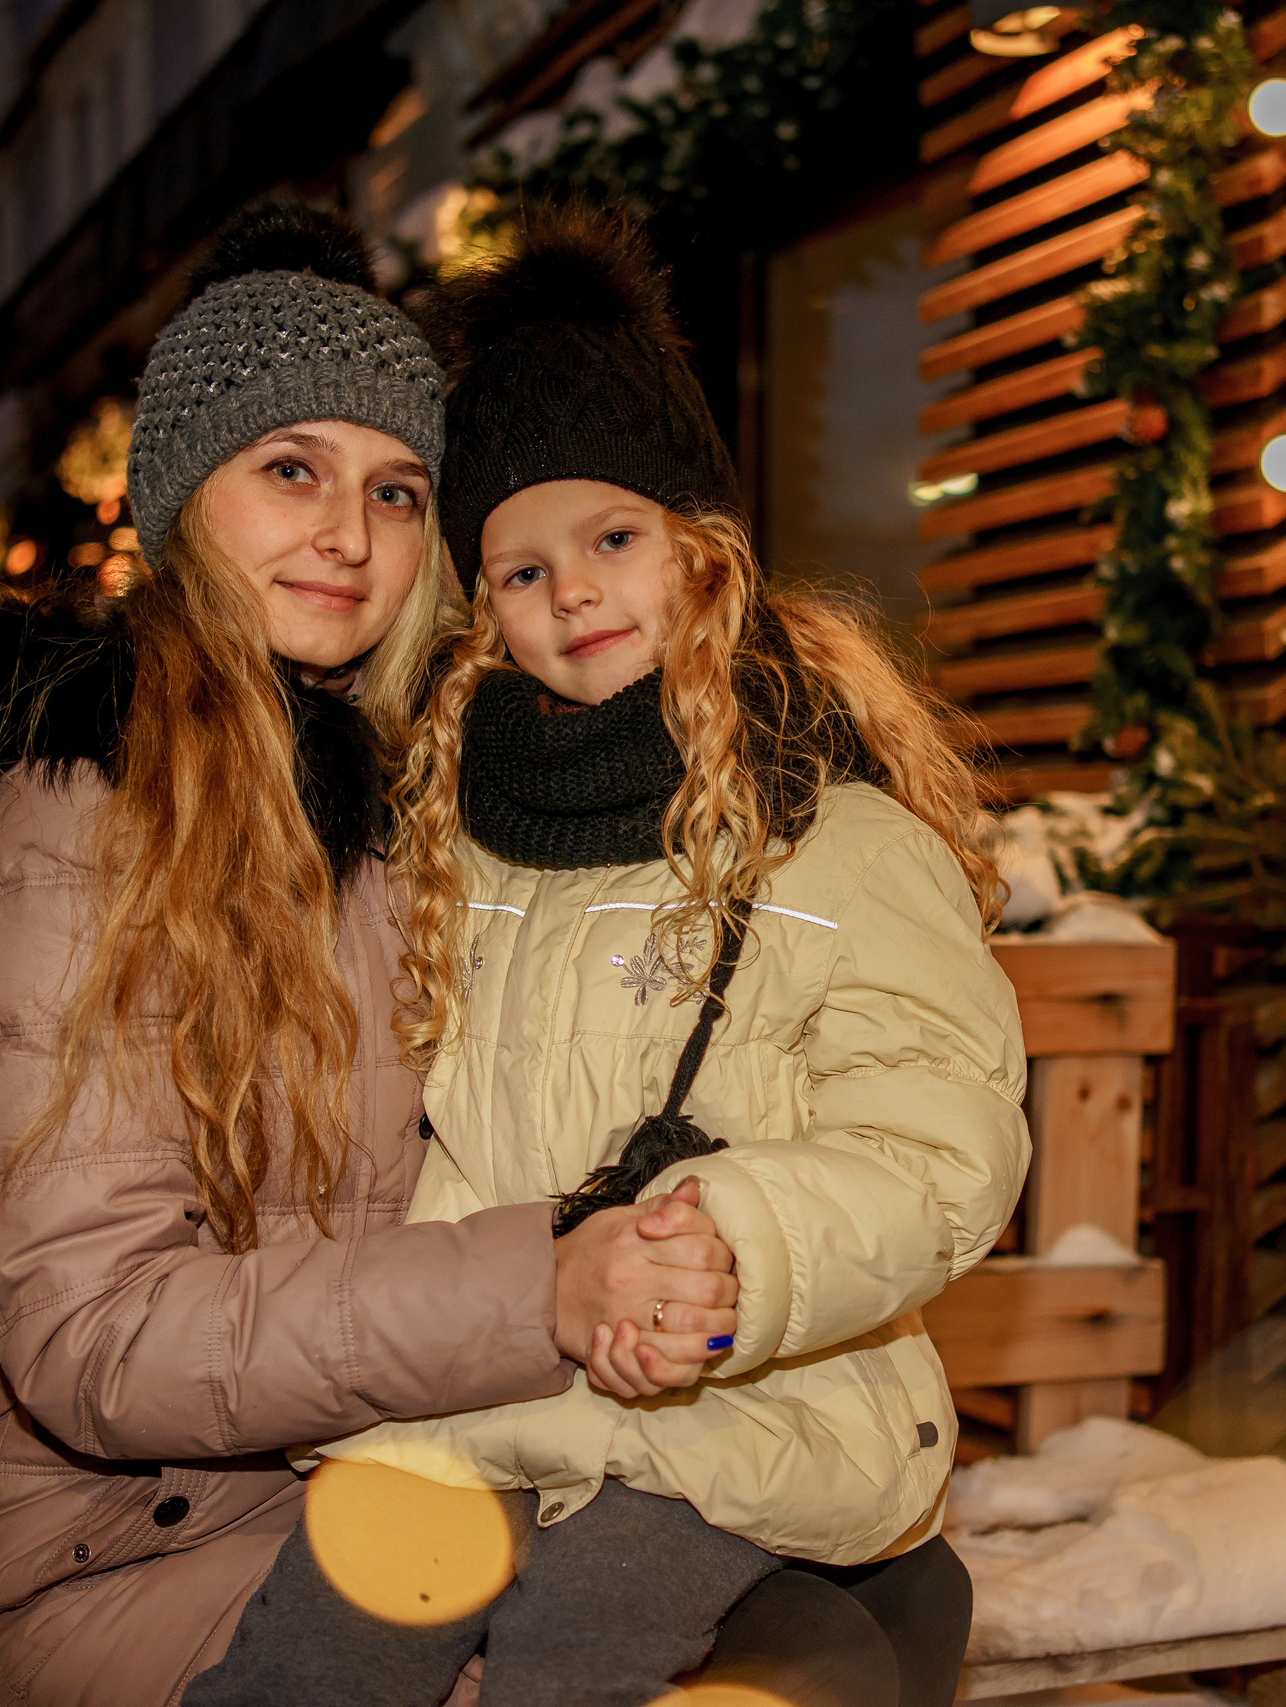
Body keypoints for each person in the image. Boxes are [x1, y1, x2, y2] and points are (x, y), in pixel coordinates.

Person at [0, 208, 743, 1707]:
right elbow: (98, 1335)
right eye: (290, 471)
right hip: (125, 1561)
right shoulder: (76, 816)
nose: (349, 534)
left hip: (406, 1483)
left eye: (396, 490)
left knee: (800, 1620)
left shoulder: (416, 804)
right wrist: (540, 1288)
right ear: (183, 497)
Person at [226, 206, 1029, 1707]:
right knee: (316, 1640)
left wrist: (737, 1252)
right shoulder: (456, 837)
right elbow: (436, 1141)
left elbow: (941, 1140)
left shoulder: (836, 836)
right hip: (492, 1390)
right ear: (480, 609)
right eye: (519, 571)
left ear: (704, 548)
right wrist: (458, 1320)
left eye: (612, 539)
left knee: (579, 1648)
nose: (573, 593)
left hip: (739, 1399)